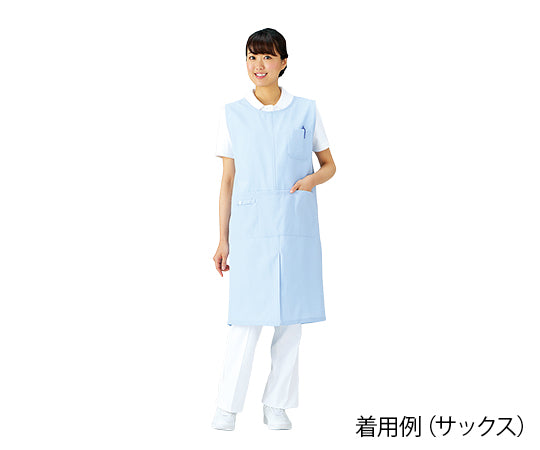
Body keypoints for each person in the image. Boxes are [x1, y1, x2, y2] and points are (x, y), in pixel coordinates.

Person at [211, 28, 336, 431]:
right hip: (251, 229)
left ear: (283, 62)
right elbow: (227, 180)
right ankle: (227, 408)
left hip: (295, 226)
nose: (258, 65)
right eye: (252, 57)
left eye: (267, 57)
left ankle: (276, 405)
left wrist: (309, 181)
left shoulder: (306, 111)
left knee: (290, 321)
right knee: (245, 320)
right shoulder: (233, 113)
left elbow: (329, 165)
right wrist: (223, 239)